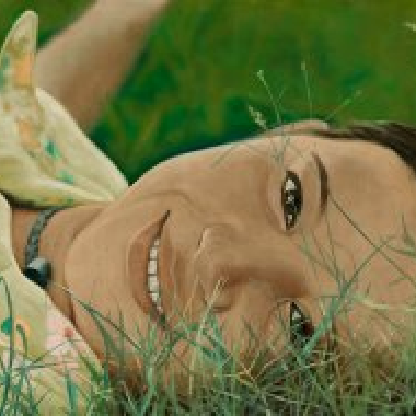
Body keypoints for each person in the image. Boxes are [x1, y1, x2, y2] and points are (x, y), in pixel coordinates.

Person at [1, 5, 416, 414]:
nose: (216, 258)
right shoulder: (85, 189)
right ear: (283, 134)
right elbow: (29, 118)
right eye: (292, 199)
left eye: (299, 330)